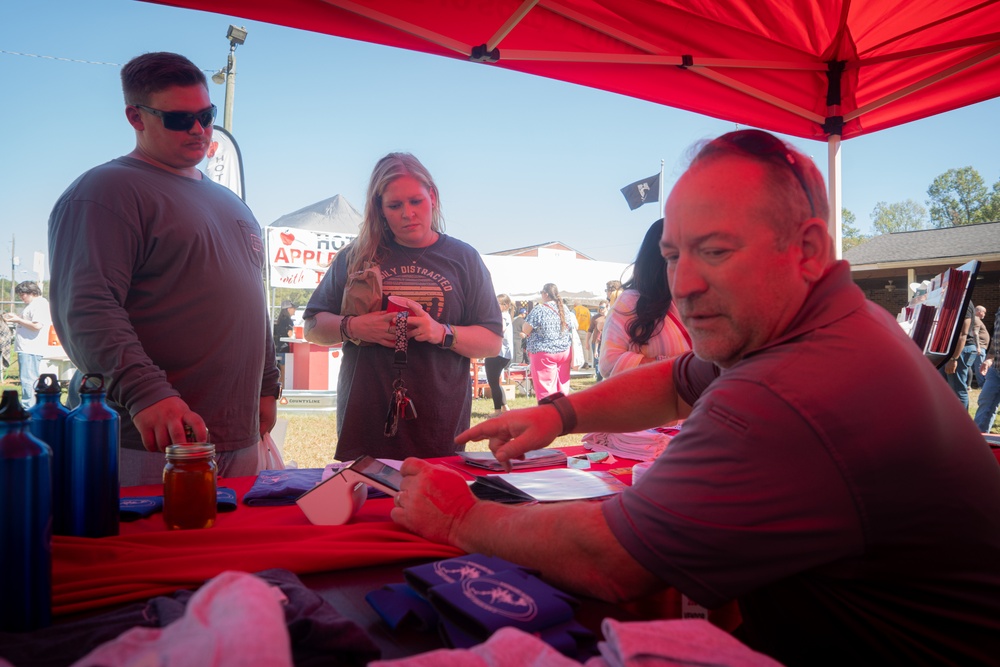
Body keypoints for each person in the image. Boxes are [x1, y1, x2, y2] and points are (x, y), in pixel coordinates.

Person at [390, 129, 1000, 666]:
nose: (682, 285)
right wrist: (559, 413)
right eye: (673, 255)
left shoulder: (792, 390)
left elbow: (609, 559)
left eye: (715, 251)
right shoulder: (827, 326)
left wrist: (458, 516)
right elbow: (682, 378)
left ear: (808, 251)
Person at [48, 52, 281, 486]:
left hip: (238, 435)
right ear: (135, 117)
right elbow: (86, 306)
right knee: (154, 553)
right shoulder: (107, 190)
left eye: (206, 115)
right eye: (179, 119)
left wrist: (268, 384)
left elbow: (252, 303)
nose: (199, 129)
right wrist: (146, 394)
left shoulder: (233, 204)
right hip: (148, 439)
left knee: (230, 554)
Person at [303, 152, 501, 460]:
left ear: (432, 197)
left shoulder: (464, 258)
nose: (408, 213)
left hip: (439, 425)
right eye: (395, 205)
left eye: (416, 201)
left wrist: (441, 332)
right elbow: (313, 327)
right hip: (366, 425)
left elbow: (491, 341)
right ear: (379, 209)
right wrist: (354, 327)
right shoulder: (355, 256)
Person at [599, 219, 691, 378]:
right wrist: (676, 364)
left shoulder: (702, 298)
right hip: (655, 400)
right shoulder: (631, 302)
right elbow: (609, 363)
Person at [521, 283, 574, 401]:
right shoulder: (564, 309)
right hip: (564, 351)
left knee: (546, 388)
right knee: (562, 387)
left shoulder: (540, 309)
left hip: (544, 352)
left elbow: (525, 329)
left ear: (545, 294)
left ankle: (549, 414)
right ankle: (563, 412)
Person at [3, 281, 51, 408]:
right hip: (27, 348)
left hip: (31, 348)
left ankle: (29, 408)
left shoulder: (39, 304)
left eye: (22, 294)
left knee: (28, 381)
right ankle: (32, 407)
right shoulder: (34, 304)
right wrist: (17, 317)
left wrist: (18, 319)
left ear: (31, 293)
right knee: (29, 380)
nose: (21, 297)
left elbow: (37, 325)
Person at [940, 300, 976, 408]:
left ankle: (962, 424)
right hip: (952, 351)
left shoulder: (963, 301)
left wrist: (953, 359)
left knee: (958, 390)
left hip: (961, 350)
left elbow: (963, 333)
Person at [485, 294, 515, 418]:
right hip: (504, 353)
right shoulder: (507, 316)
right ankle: (505, 407)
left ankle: (498, 411)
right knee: (495, 382)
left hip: (498, 352)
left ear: (505, 305)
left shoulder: (503, 316)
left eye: (497, 303)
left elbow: (499, 329)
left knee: (493, 382)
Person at [974, 301, 1000, 433]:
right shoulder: (999, 311)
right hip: (995, 369)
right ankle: (979, 442)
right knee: (985, 402)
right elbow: (996, 339)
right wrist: (989, 358)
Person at [274, 300, 297, 386]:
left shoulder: (279, 320)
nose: (295, 310)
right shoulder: (289, 321)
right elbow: (290, 334)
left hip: (278, 348)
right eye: (293, 308)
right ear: (288, 309)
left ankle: (279, 389)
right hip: (285, 349)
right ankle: (283, 390)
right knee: (285, 372)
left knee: (280, 372)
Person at [971, 304, 990, 389]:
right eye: (984, 313)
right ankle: (982, 385)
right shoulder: (976, 319)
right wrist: (978, 347)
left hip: (981, 347)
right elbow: (975, 333)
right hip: (980, 347)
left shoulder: (976, 320)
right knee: (980, 366)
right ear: (979, 311)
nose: (984, 315)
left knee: (979, 365)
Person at [589, 300, 608, 381]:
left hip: (606, 343)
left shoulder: (610, 316)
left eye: (602, 307)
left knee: (606, 361)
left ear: (607, 307)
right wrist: (587, 342)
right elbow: (590, 330)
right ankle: (599, 379)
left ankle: (604, 378)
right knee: (597, 361)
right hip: (596, 342)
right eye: (600, 307)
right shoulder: (595, 318)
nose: (601, 309)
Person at [572, 300, 593, 369]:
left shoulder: (575, 309)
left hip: (577, 331)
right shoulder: (587, 310)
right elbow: (591, 320)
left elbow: (572, 320)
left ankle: (576, 363)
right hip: (585, 331)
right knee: (585, 348)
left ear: (575, 304)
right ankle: (586, 363)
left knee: (576, 347)